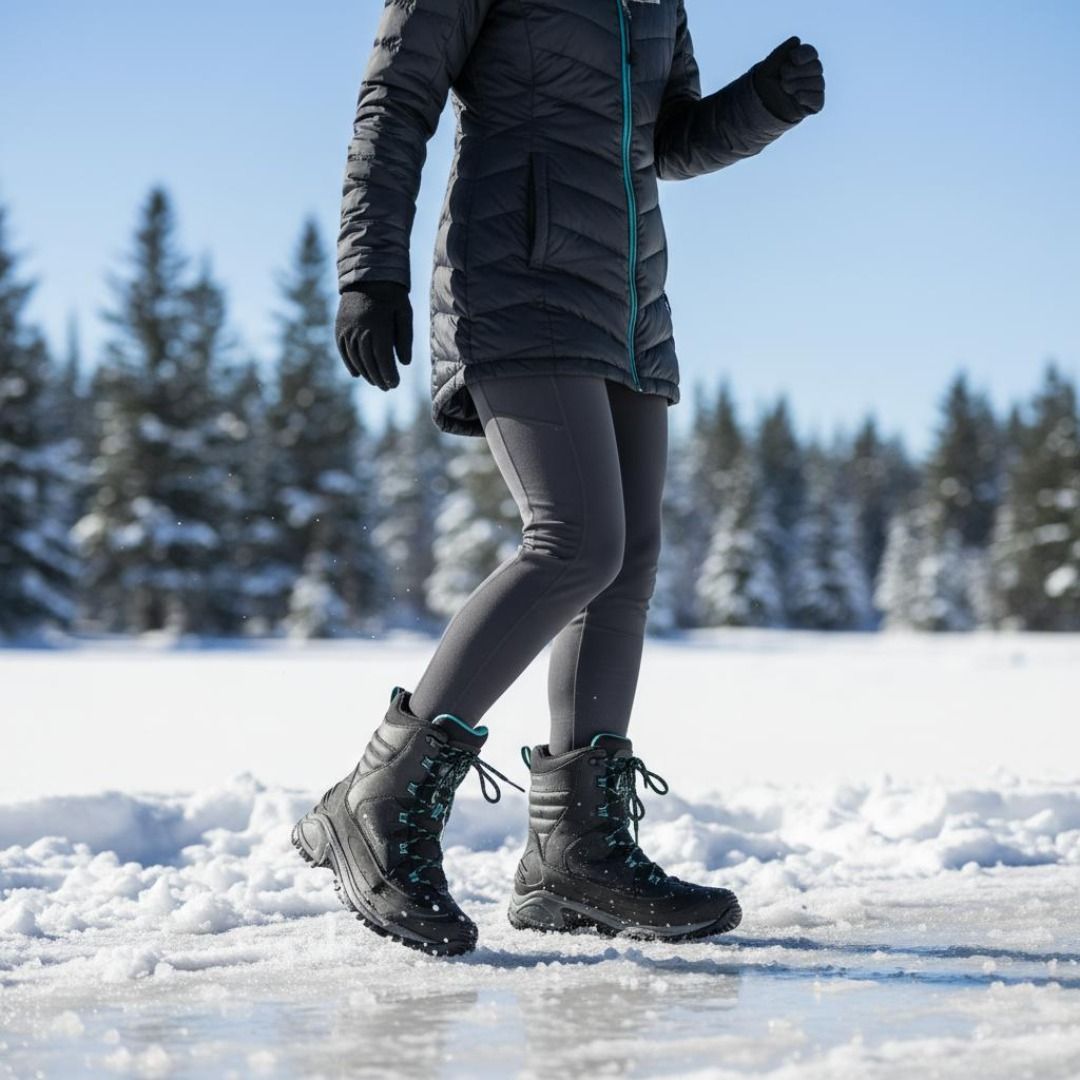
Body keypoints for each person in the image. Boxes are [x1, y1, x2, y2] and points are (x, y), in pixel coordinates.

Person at [292, 0, 825, 956]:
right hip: (516, 273)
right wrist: (368, 269)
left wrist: (764, 104)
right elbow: (396, 97)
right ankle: (374, 799)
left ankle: (575, 854)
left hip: (627, 301)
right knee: (574, 539)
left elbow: (668, 137)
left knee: (626, 564)